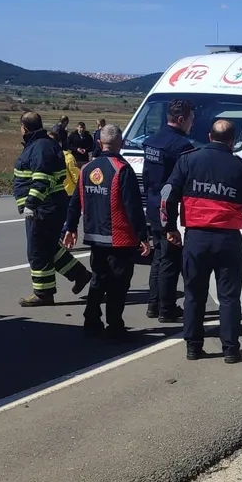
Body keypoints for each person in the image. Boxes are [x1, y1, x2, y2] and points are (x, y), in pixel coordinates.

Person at [163, 119, 242, 363]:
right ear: (233, 141)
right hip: (228, 240)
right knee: (229, 297)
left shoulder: (188, 160)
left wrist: (169, 227)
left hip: (196, 238)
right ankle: (230, 349)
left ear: (209, 136)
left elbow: (167, 197)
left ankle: (193, 347)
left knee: (194, 294)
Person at [62, 125, 151, 338]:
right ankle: (115, 327)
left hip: (94, 236)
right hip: (119, 238)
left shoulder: (87, 170)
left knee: (98, 279)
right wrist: (142, 236)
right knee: (118, 285)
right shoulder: (122, 169)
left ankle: (91, 321)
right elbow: (133, 206)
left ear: (99, 143)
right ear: (121, 143)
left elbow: (75, 201)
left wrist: (70, 227)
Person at [12, 111, 92, 306]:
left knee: (37, 251)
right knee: (49, 246)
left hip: (43, 208)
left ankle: (43, 293)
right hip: (49, 206)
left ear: (25, 128)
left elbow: (42, 178)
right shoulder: (42, 144)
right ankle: (79, 275)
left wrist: (32, 204)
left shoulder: (39, 147)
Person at [142, 99, 198, 323]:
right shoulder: (182, 146)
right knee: (170, 261)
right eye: (191, 120)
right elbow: (183, 182)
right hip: (170, 210)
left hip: (154, 206)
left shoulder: (152, 142)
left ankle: (153, 304)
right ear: (181, 119)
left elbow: (147, 178)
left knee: (158, 258)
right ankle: (167, 308)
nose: (192, 125)